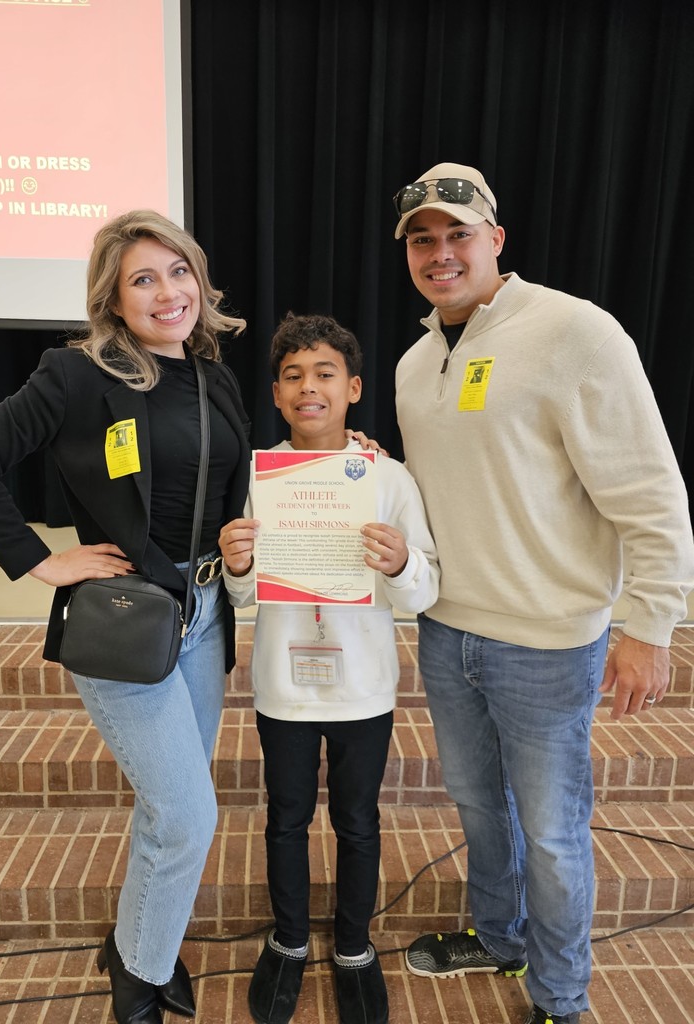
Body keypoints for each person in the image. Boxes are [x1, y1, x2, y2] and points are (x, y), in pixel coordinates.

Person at [0, 210, 252, 1024]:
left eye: (178, 271)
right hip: (126, 619)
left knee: (166, 804)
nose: (167, 292)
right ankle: (138, 982)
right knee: (187, 813)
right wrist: (41, 561)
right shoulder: (75, 376)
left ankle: (132, 942)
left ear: (199, 280)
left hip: (205, 613)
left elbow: (221, 492)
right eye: (142, 279)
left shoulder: (216, 375)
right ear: (113, 299)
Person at [390, 161, 694, 1024]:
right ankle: (501, 937)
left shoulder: (575, 332)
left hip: (550, 643)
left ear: (496, 239)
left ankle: (560, 1000)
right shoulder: (416, 363)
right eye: (422, 239)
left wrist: (651, 626)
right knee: (480, 808)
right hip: (449, 633)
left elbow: (651, 493)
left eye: (458, 234)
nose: (440, 253)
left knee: (555, 836)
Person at [218, 313, 439, 1024]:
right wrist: (238, 562)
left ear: (352, 388)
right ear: (277, 396)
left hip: (364, 686)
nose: (308, 388)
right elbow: (242, 594)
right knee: (285, 820)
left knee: (357, 822)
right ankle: (286, 942)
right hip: (284, 686)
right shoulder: (259, 477)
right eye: (292, 377)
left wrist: (402, 562)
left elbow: (426, 587)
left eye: (323, 374)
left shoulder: (388, 477)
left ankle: (352, 947)